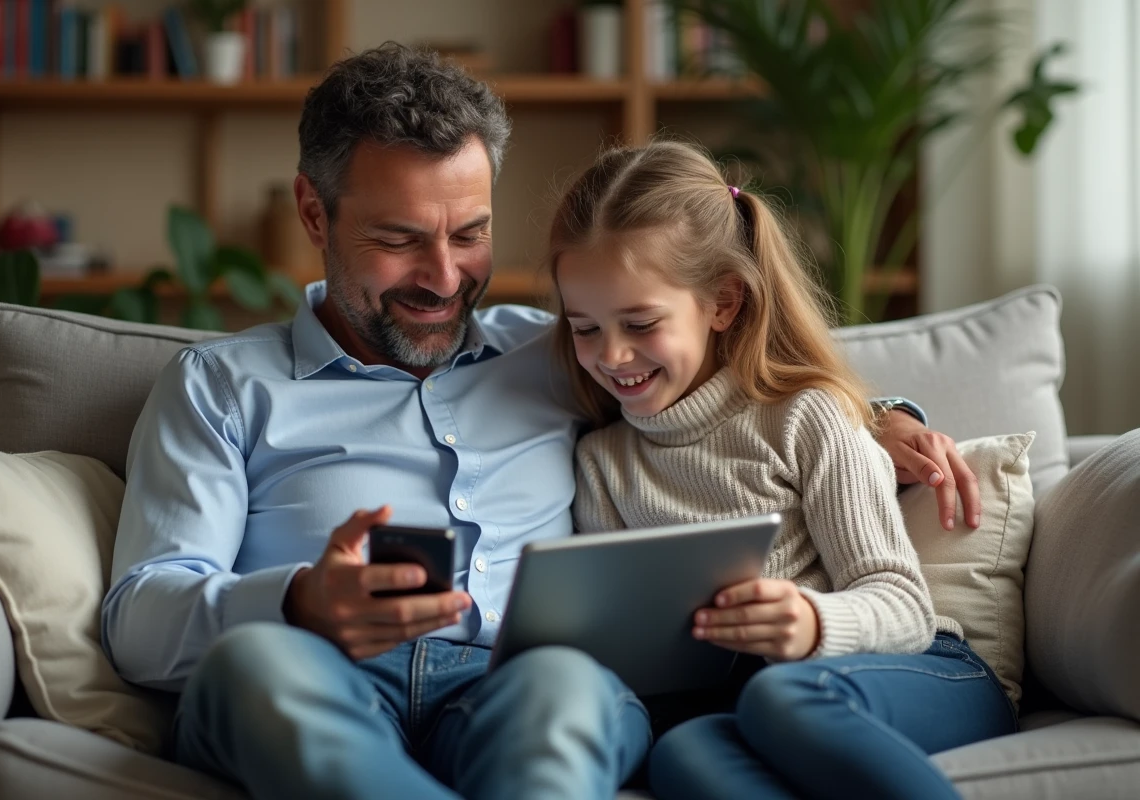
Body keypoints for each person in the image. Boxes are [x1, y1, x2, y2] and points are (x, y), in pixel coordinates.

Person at [101, 45, 984, 800]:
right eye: (399, 239)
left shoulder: (561, 350)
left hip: (517, 684)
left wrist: (880, 419)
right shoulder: (220, 388)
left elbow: (727, 375)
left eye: (469, 234)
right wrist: (298, 601)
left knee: (566, 685)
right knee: (256, 666)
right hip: (315, 673)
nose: (443, 277)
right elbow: (140, 617)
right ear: (312, 212)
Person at [548, 140, 1017, 800]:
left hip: (914, 673)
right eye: (585, 328)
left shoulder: (806, 417)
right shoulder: (602, 465)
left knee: (782, 696)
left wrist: (814, 622)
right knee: (681, 752)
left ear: (723, 302)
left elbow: (905, 605)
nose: (612, 355)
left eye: (641, 322)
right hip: (749, 704)